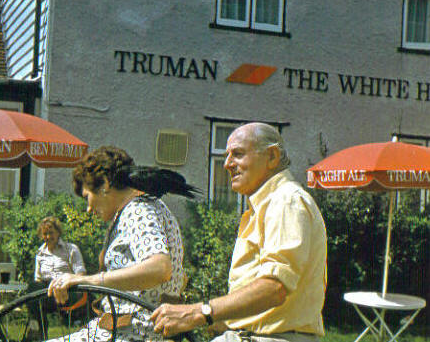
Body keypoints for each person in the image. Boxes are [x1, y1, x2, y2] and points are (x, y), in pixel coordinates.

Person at [151, 123, 328, 342]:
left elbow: (275, 288)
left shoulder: (285, 201)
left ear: (272, 157)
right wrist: (207, 318)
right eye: (226, 156)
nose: (226, 164)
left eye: (238, 154)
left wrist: (198, 313)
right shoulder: (266, 205)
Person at [46, 145, 198, 342]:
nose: (88, 209)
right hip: (129, 330)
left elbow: (161, 268)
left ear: (105, 184)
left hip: (132, 334)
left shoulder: (138, 211)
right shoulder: (143, 208)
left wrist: (87, 280)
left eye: (87, 197)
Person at [25, 216, 87, 337]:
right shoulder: (40, 253)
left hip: (67, 291)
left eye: (51, 233)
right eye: (45, 234)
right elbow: (37, 278)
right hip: (48, 293)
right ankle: (38, 331)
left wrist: (67, 281)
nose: (48, 237)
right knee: (33, 288)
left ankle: (36, 332)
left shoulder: (71, 249)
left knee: (35, 295)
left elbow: (81, 274)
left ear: (58, 232)